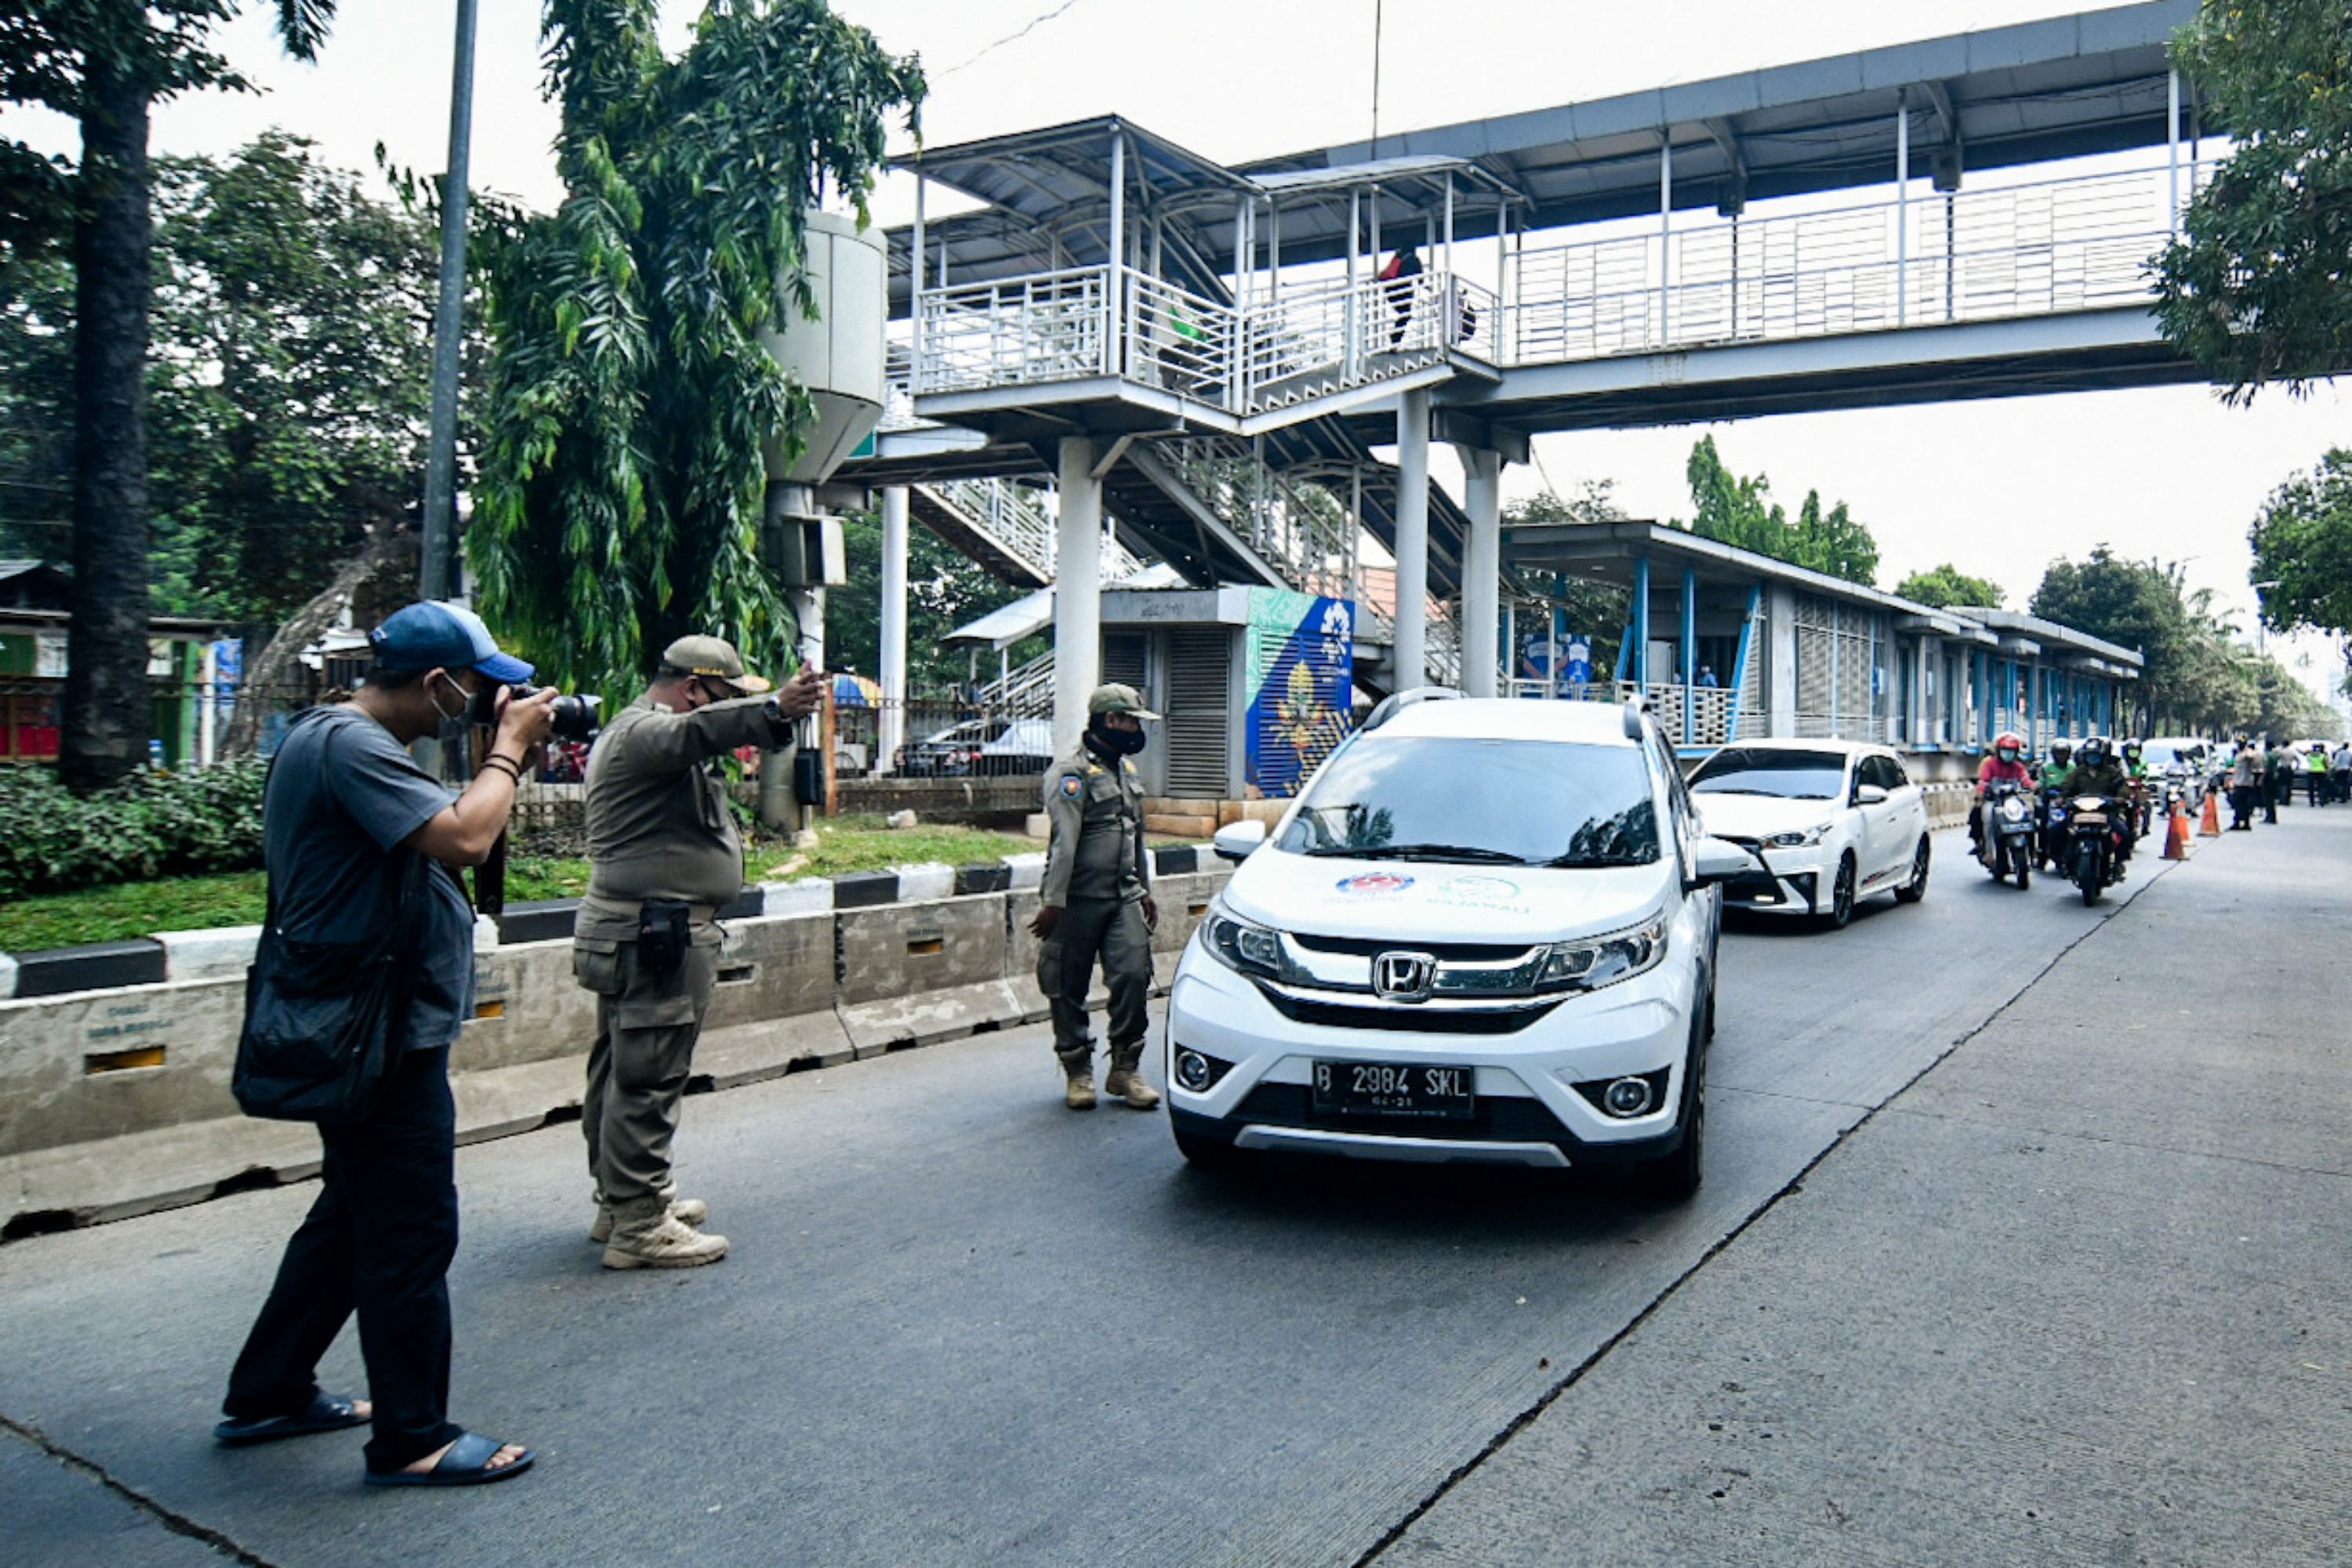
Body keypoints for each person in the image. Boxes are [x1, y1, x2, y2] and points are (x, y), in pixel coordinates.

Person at [216, 601, 554, 1487]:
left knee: (349, 1217)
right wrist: (508, 751)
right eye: (480, 686)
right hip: (375, 1035)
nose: (488, 699)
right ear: (437, 681)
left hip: (368, 1023)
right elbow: (464, 836)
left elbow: (443, 856)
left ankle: (269, 1387)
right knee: (408, 1229)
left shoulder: (348, 740)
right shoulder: (350, 744)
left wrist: (502, 755)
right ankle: (414, 1436)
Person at [574, 636, 826, 1269]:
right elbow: (696, 736)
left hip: (642, 930)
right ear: (693, 689)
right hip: (654, 934)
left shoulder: (646, 736)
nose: (724, 712)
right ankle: (639, 1224)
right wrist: (775, 710)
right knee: (648, 1077)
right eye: (722, 695)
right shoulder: (647, 734)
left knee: (622, 1069)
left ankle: (624, 1199)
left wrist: (774, 719)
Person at [1032, 684, 1161, 1111]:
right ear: (1111, 721)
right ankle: (1077, 1069)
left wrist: (1144, 889)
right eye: (1132, 721)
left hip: (1123, 895)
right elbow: (1063, 845)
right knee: (1066, 985)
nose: (1136, 730)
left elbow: (1135, 836)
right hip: (1077, 900)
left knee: (1132, 976)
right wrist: (1053, 902)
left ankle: (1125, 1069)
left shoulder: (1125, 771)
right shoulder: (1070, 775)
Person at [2068, 735, 2135, 877]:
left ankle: (2117, 864)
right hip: (2080, 812)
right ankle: (2066, 862)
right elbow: (2065, 788)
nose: (2093, 759)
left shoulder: (2112, 772)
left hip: (2106, 812)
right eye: (2090, 756)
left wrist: (2120, 798)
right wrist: (2061, 798)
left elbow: (2122, 787)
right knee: (2057, 830)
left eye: (2096, 756)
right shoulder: (2077, 772)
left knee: (2125, 834)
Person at [1969, 730, 2033, 859]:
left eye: (2011, 751)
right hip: (1993, 800)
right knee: (1985, 817)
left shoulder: (2018, 767)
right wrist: (1980, 794)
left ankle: (2032, 851)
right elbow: (1983, 781)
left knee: (2028, 815)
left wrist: (2033, 787)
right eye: (2005, 750)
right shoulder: (1989, 764)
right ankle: (1987, 849)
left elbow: (2026, 780)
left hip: (2012, 801)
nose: (2008, 754)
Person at [1378, 245, 1422, 348]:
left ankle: (1395, 339)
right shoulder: (1414, 260)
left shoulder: (1398, 258)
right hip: (1404, 291)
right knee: (1406, 315)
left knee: (1404, 315)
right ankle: (1395, 339)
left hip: (1390, 291)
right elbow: (1421, 279)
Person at [2229, 735, 2260, 830]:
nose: (2240, 745)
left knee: (2244, 805)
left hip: (2245, 783)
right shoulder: (2238, 754)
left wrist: (2247, 750)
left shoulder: (2248, 754)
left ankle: (2244, 823)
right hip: (2238, 782)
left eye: (2242, 743)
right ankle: (2239, 823)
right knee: (2238, 804)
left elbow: (2252, 757)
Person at [2306, 742, 2329, 807]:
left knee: (2311, 788)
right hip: (2321, 772)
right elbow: (2326, 764)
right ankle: (2321, 801)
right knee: (2321, 787)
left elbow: (2308, 761)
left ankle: (2312, 802)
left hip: (2312, 771)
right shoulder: (2323, 755)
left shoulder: (2310, 755)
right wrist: (2327, 771)